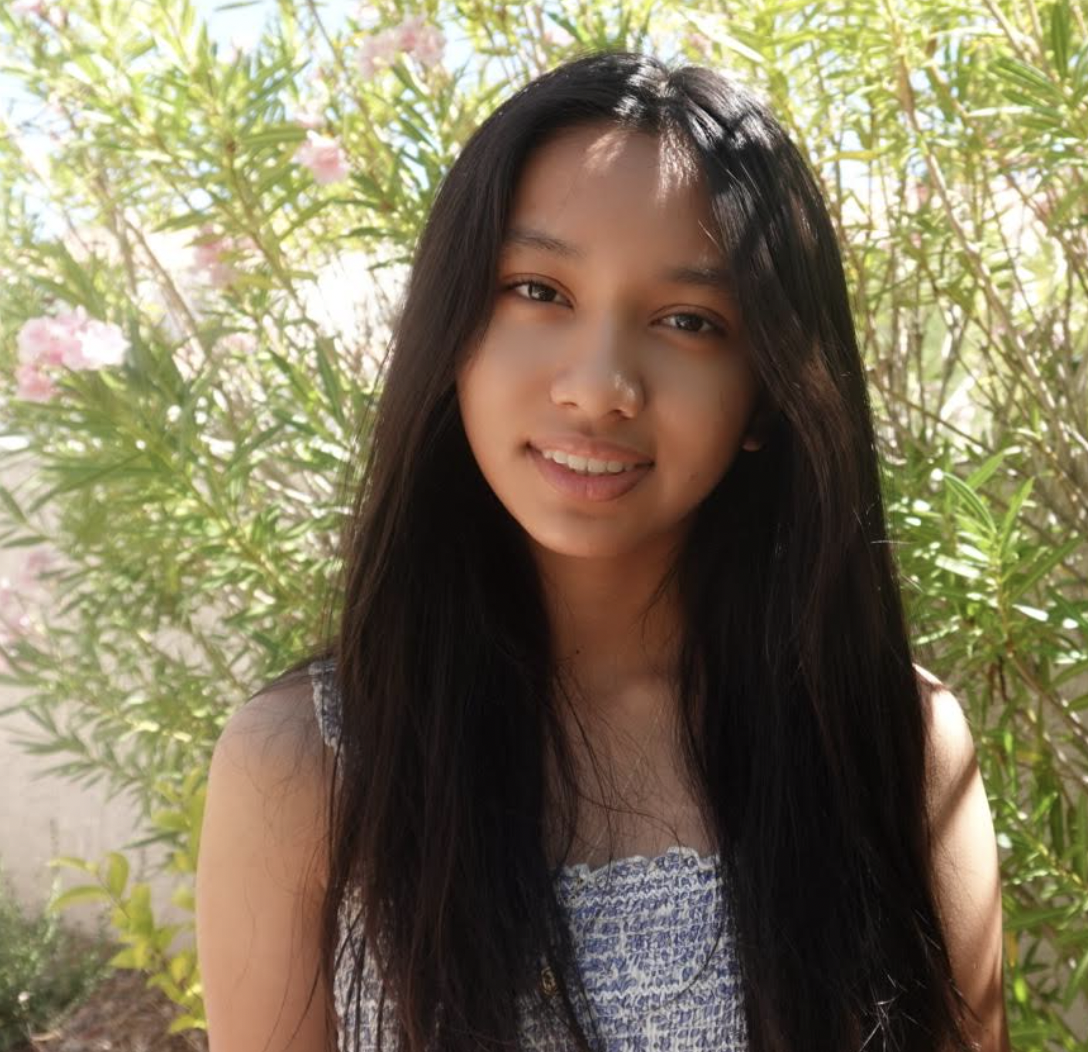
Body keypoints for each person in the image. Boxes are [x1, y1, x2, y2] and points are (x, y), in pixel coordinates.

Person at [196, 48, 1009, 1052]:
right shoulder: (308, 763)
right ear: (451, 328)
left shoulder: (894, 744)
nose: (598, 386)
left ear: (767, 390)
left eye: (686, 319)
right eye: (537, 289)